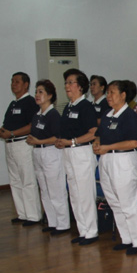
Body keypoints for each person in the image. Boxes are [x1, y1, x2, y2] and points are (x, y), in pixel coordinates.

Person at [93, 80, 137, 254]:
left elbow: (133, 141)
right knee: (114, 202)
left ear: (123, 95)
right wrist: (97, 143)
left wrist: (107, 147)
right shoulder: (108, 114)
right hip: (106, 160)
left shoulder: (129, 116)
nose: (108, 96)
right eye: (107, 93)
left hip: (124, 160)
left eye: (112, 92)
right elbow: (99, 136)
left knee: (127, 202)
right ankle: (126, 238)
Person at [56, 68, 99, 245]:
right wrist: (61, 141)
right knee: (73, 192)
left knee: (84, 193)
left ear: (81, 87)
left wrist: (72, 141)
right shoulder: (68, 107)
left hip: (81, 151)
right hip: (68, 152)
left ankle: (92, 231)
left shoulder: (86, 106)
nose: (67, 85)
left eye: (71, 82)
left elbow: (93, 132)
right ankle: (83, 230)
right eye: (66, 82)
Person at [26, 80, 70, 236]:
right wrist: (34, 141)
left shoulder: (53, 114)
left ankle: (63, 223)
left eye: (41, 92)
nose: (37, 95)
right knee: (44, 189)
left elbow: (56, 137)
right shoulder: (37, 115)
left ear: (50, 95)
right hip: (38, 152)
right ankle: (52, 222)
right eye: (36, 92)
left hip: (51, 152)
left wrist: (39, 141)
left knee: (55, 189)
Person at [0, 72, 41, 226]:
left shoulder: (30, 102)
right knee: (15, 180)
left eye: (17, 81)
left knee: (27, 180)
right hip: (10, 145)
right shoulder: (13, 104)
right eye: (12, 81)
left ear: (26, 84)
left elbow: (31, 125)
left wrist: (13, 133)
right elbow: (7, 124)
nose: (13, 84)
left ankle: (34, 215)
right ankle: (22, 213)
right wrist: (2, 131)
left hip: (23, 144)